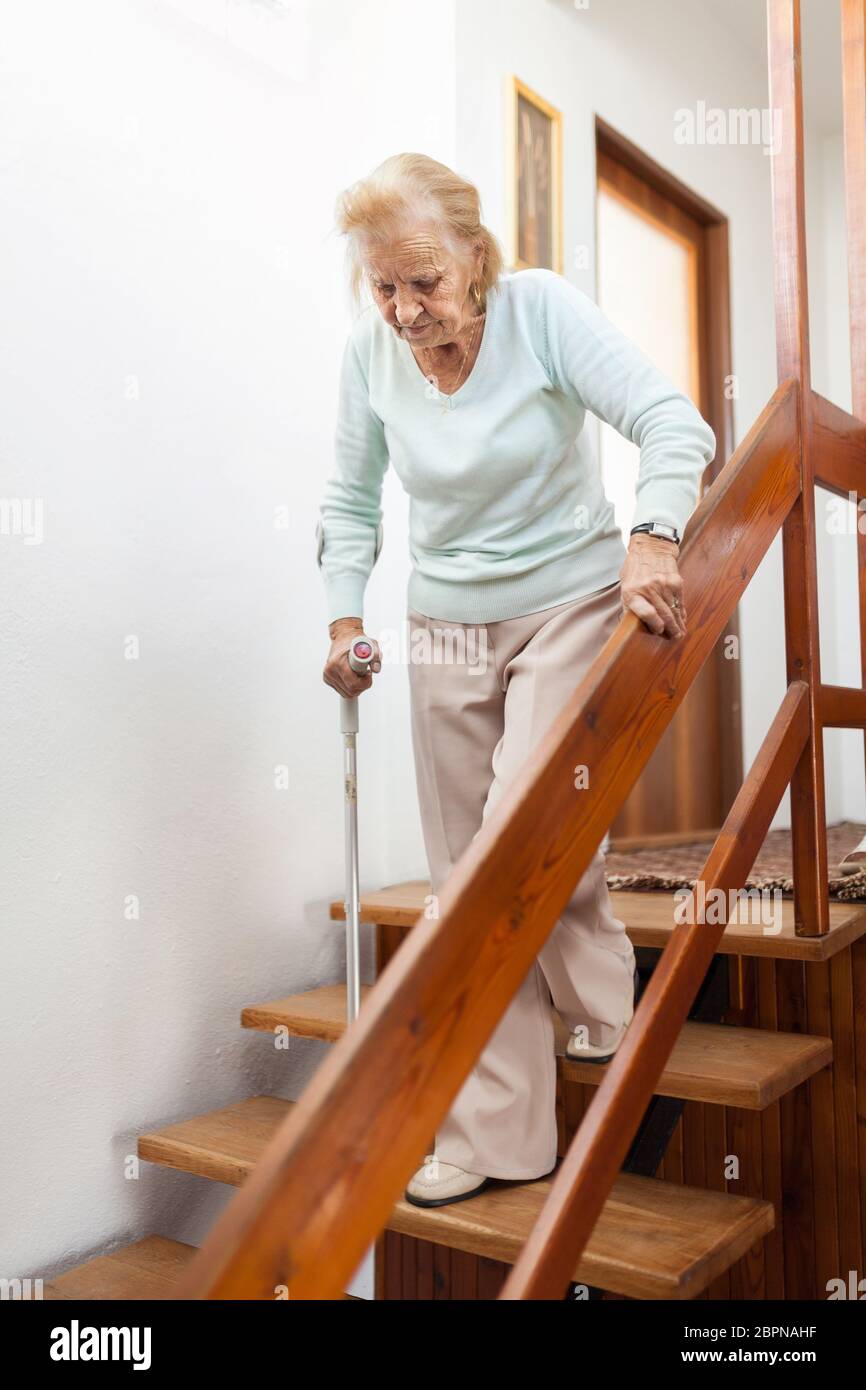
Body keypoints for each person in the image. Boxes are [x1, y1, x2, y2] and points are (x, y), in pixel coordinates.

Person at [317, 153, 716, 1208]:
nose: (405, 310)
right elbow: (349, 501)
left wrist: (652, 532)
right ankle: (539, 1084)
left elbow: (673, 420)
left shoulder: (538, 313)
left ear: (474, 258)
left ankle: (549, 1061)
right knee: (468, 877)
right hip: (442, 622)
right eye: (384, 286)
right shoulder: (370, 354)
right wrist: (345, 617)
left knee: (519, 837)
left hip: (568, 601)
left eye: (424, 282)